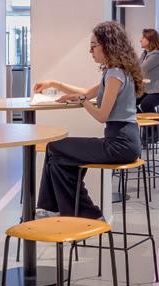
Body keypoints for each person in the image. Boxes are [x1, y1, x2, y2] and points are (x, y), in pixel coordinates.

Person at [33, 21, 144, 219]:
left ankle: (75, 211)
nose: (90, 51)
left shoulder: (114, 74)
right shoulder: (117, 71)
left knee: (54, 147)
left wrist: (82, 101)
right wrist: (54, 84)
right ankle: (57, 209)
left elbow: (102, 115)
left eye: (93, 46)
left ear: (108, 45)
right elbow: (85, 91)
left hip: (120, 144)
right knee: (59, 159)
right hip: (124, 140)